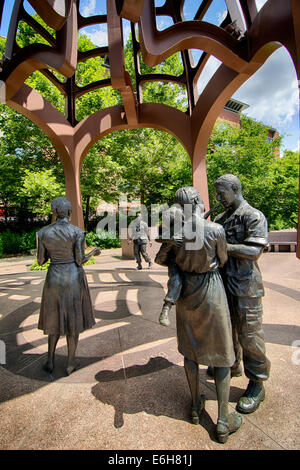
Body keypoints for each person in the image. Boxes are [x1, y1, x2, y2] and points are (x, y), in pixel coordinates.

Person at [166, 186, 242, 443]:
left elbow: (165, 260)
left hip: (187, 293)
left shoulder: (176, 232)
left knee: (190, 350)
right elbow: (222, 260)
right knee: (221, 355)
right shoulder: (215, 229)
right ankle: (222, 420)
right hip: (211, 290)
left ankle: (196, 406)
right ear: (198, 201)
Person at [213, 174, 271, 414]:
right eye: (216, 193)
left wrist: (222, 246)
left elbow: (254, 250)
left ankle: (257, 383)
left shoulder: (253, 216)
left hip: (246, 285)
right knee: (228, 329)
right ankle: (234, 364)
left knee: (250, 335)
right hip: (223, 283)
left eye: (222, 193)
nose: (218, 198)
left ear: (235, 189)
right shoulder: (220, 218)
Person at [37, 197, 101, 376]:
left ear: (54, 212)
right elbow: (80, 260)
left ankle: (50, 360)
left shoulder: (42, 233)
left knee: (54, 320)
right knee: (73, 322)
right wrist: (94, 251)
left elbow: (41, 260)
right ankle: (70, 363)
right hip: (73, 278)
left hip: (53, 279)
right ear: (70, 212)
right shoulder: (77, 232)